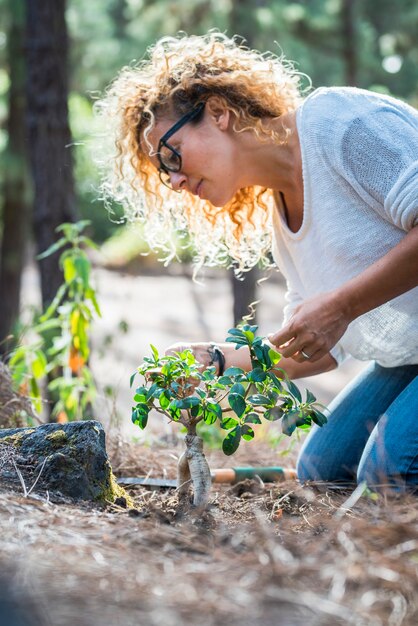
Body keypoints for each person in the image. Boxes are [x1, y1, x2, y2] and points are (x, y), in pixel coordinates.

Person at [98, 32, 418, 492]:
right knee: (321, 472)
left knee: (390, 474)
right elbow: (318, 347)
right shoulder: (283, 222)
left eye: (171, 154)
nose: (175, 178)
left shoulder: (337, 124)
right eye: (163, 172)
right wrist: (215, 361)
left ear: (217, 112)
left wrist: (342, 306)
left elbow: (337, 314)